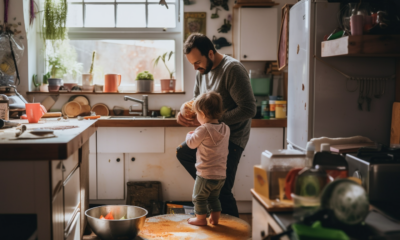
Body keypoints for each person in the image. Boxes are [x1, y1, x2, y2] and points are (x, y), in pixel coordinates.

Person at [176, 33, 256, 217]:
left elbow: (249, 109)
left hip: (232, 138)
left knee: (223, 191)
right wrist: (182, 109)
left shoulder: (232, 69)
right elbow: (197, 101)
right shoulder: (202, 72)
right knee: (183, 153)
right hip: (210, 136)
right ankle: (209, 191)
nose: (196, 68)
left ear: (210, 53)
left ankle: (237, 235)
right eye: (192, 64)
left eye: (197, 62)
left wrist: (214, 123)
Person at [185, 91, 230, 226]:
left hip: (205, 175)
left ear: (203, 114)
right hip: (221, 175)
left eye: (197, 113)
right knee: (214, 198)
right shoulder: (226, 128)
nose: (197, 116)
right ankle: (215, 219)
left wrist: (189, 135)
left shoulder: (203, 129)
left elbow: (192, 144)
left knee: (198, 198)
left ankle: (200, 219)